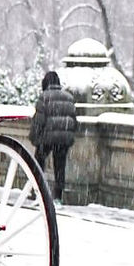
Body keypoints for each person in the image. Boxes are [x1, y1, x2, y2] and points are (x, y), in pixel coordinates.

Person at [29, 70, 78, 201]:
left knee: (38, 163)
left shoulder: (44, 97)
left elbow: (38, 121)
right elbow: (73, 120)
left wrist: (34, 138)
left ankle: (37, 190)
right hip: (64, 139)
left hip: (47, 138)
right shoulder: (69, 97)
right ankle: (58, 195)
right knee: (60, 167)